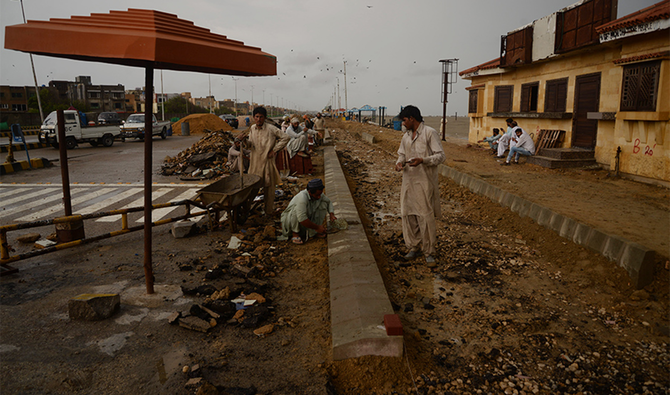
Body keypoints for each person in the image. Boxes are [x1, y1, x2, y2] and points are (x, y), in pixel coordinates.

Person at [394, 105, 446, 264]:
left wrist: (423, 160)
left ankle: (429, 251)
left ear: (412, 119)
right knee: (408, 214)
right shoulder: (406, 136)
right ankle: (414, 247)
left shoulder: (430, 133)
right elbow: (401, 154)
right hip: (408, 181)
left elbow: (440, 156)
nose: (403, 124)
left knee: (425, 215)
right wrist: (399, 163)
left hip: (424, 182)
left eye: (404, 120)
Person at [242, 106, 289, 216]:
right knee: (252, 189)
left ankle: (268, 213)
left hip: (267, 163)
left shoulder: (271, 129)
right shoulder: (252, 128)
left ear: (265, 118)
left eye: (261, 117)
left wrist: (275, 150)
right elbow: (250, 145)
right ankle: (246, 210)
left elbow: (286, 137)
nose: (259, 119)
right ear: (254, 117)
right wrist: (244, 141)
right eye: (257, 117)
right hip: (254, 164)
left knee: (269, 190)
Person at [281, 178, 336, 244]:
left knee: (323, 204)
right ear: (309, 192)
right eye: (317, 195)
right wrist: (317, 227)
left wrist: (331, 214)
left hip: (305, 222)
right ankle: (295, 234)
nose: (319, 197)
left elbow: (328, 202)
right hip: (291, 222)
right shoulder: (302, 198)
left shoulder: (319, 195)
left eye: (320, 194)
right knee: (297, 211)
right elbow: (302, 218)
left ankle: (314, 232)